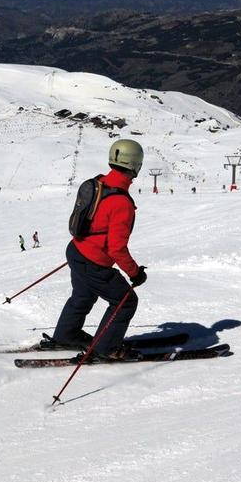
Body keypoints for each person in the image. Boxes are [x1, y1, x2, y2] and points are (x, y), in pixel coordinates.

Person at [50, 139, 147, 361]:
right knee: (125, 301)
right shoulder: (121, 202)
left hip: (76, 251)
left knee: (83, 295)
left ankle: (66, 335)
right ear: (135, 165)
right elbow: (117, 248)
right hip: (94, 262)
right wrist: (135, 273)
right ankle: (106, 348)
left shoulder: (99, 183)